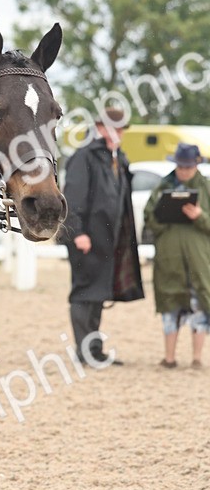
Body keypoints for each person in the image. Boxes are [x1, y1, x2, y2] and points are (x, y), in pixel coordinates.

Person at [62, 108, 143, 364]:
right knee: (84, 293)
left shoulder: (116, 157)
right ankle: (84, 353)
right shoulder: (84, 156)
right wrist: (78, 233)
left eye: (120, 129)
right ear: (99, 127)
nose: (118, 133)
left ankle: (94, 350)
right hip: (86, 239)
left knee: (98, 294)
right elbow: (72, 199)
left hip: (109, 239)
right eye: (114, 128)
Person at [143, 143, 210, 369]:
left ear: (196, 165)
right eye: (180, 166)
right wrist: (165, 213)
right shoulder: (163, 187)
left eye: (188, 167)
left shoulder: (207, 188)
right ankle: (169, 357)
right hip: (169, 258)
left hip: (199, 260)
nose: (183, 171)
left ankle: (197, 358)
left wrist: (200, 216)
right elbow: (149, 218)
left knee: (199, 304)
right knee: (170, 305)